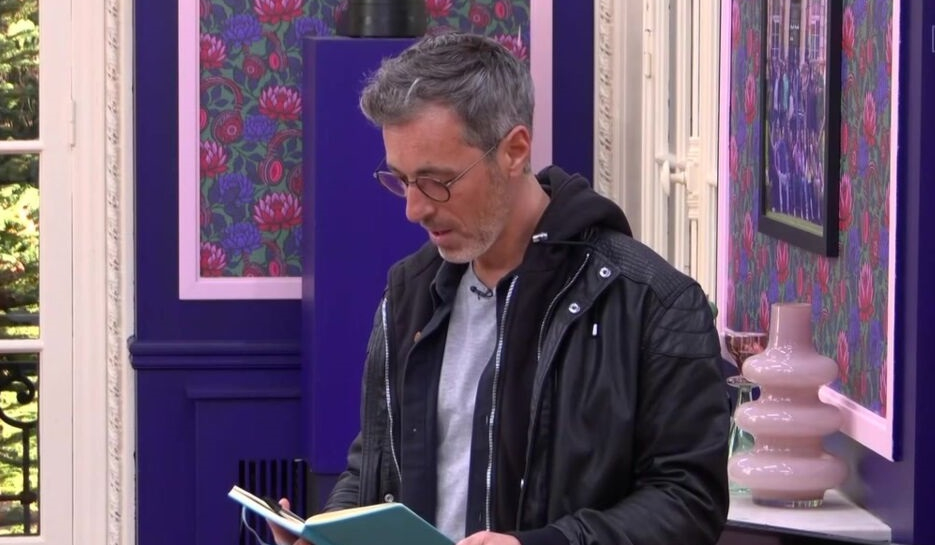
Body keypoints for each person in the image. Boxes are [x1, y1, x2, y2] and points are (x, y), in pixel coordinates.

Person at [271, 32, 729, 545]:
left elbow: (688, 502)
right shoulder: (409, 293)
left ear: (514, 150)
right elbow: (374, 466)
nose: (414, 209)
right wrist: (329, 532)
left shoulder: (654, 303)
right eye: (402, 179)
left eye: (437, 181)